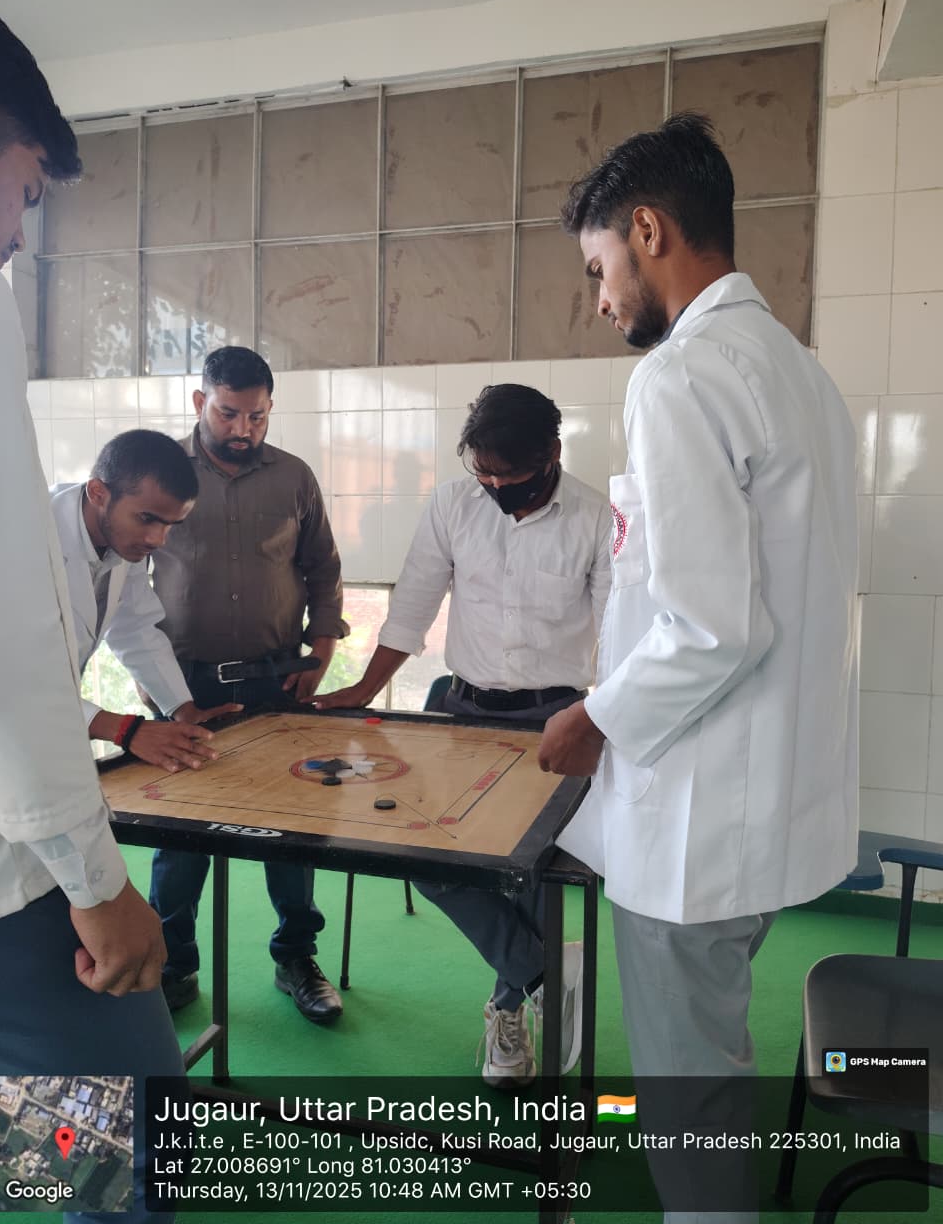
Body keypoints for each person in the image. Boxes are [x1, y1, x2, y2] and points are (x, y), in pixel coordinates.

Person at [540, 113, 858, 1221]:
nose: (600, 299)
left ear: (648, 230)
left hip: (696, 818)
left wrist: (595, 717)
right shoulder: (803, 374)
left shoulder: (680, 376)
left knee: (688, 1088)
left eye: (599, 269)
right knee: (711, 1047)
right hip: (766, 797)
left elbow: (714, 626)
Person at [0, 4, 183, 1223]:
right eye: (20, 187)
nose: (15, 235)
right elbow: (7, 653)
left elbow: (135, 630)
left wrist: (168, 712)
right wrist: (95, 878)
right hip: (3, 871)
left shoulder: (125, 552)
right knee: (130, 1146)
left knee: (57, 1132)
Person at [313, 383, 612, 1086]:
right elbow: (414, 604)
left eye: (512, 475)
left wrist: (599, 719)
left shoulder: (599, 518)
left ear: (552, 455)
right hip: (463, 713)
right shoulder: (453, 504)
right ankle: (542, 972)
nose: (497, 487)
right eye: (485, 474)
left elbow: (621, 635)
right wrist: (362, 689)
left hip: (553, 720)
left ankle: (510, 1012)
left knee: (530, 867)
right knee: (422, 850)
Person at [148, 346, 349, 1023]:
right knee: (180, 836)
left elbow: (323, 568)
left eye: (257, 416)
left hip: (276, 683)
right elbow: (127, 578)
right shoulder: (163, 474)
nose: (243, 429)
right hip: (185, 687)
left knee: (290, 830)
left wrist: (321, 652)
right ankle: (172, 966)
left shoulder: (293, 477)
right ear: (198, 401)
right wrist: (158, 683)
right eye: (228, 413)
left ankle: (297, 958)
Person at [52, 428, 243, 772]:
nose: (157, 539)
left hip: (42, 727)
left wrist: (184, 711)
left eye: (171, 524)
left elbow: (134, 627)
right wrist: (126, 730)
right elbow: (6, 672)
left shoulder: (123, 540)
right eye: (147, 518)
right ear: (98, 492)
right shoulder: (28, 539)